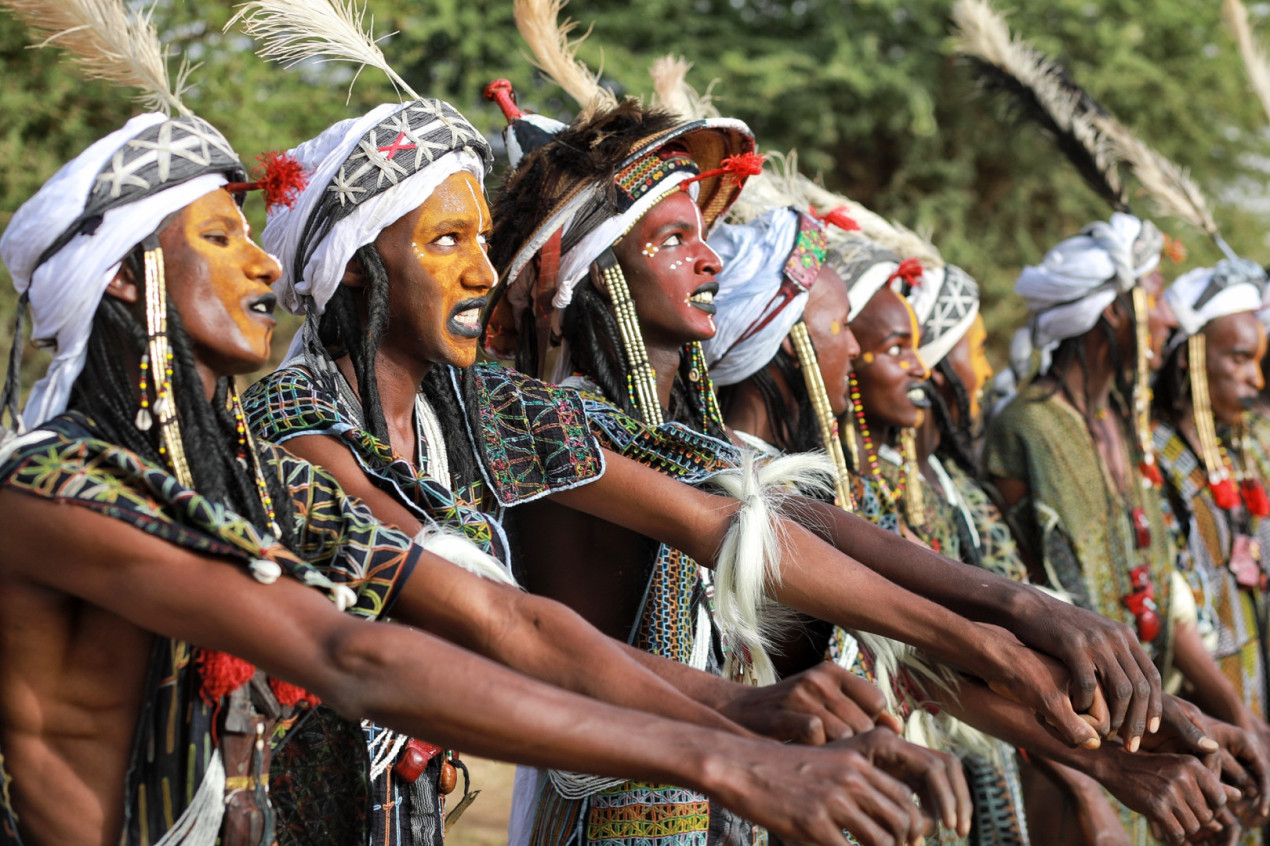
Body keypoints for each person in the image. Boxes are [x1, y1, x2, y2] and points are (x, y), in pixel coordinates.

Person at [0, 110, 985, 846]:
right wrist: (724, 752)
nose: (263, 266)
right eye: (219, 239)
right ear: (121, 276)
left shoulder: (258, 473)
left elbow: (518, 616)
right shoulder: (57, 488)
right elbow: (356, 656)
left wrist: (750, 717)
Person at [242, 97, 929, 844]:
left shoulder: (467, 406)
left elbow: (737, 514)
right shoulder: (294, 420)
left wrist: (1012, 622)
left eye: (481, 239)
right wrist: (734, 728)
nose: (481, 271)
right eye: (448, 240)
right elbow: (504, 623)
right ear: (354, 264)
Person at [983, 215, 1270, 842]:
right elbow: (1022, 611)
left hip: (1157, 727)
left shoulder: (1119, 421)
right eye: (1152, 299)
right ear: (1112, 314)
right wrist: (1089, 779)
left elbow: (1165, 586)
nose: (1166, 321)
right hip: (1079, 742)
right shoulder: (1024, 430)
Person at [1152, 260, 1270, 738]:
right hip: (1205, 716)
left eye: (1258, 363)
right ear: (1192, 356)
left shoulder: (1245, 448)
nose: (1255, 380)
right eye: (1239, 359)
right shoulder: (1153, 456)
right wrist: (1240, 723)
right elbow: (1171, 610)